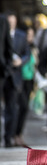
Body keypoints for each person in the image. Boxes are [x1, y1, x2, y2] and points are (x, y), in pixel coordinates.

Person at [4, 12, 30, 147]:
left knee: (13, 107)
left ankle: (10, 137)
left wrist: (21, 61)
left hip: (15, 76)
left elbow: (27, 54)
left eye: (13, 22)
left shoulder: (21, 35)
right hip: (3, 74)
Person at [0, 15, 13, 146]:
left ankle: (7, 139)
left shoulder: (2, 20)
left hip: (2, 71)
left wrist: (7, 67)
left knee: (10, 106)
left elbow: (8, 45)